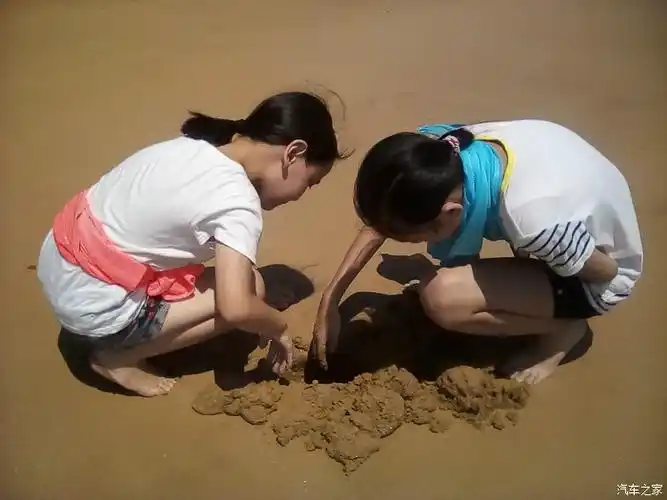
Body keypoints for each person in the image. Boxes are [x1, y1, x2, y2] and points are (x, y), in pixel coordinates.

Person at [37, 91, 348, 397]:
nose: (300, 195)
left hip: (62, 259)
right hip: (93, 305)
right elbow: (236, 308)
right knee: (252, 289)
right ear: (293, 153)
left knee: (242, 286)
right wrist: (277, 327)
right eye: (310, 182)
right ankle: (116, 358)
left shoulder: (196, 144)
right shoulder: (237, 203)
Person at [312, 120, 643, 384]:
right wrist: (331, 298)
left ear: (451, 213)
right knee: (452, 280)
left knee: (442, 298)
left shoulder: (533, 221)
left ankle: (563, 330)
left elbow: (608, 271)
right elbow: (385, 214)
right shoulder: (443, 148)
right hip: (565, 194)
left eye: (410, 237)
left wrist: (554, 254)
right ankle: (534, 291)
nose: (397, 238)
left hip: (600, 273)